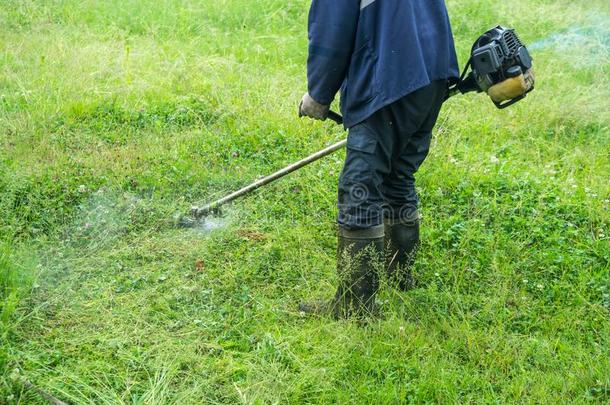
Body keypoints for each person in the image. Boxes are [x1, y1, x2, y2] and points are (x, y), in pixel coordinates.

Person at [298, 0, 459, 319]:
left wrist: (318, 94)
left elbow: (332, 31)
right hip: (434, 69)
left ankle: (354, 306)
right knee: (398, 175)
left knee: (360, 188)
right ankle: (401, 278)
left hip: (391, 75)